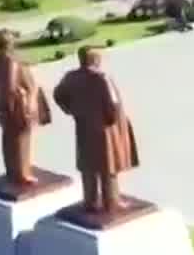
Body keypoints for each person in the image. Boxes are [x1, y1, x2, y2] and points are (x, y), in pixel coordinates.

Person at [51, 46, 141, 217]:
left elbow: (58, 94)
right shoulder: (102, 78)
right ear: (94, 59)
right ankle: (112, 201)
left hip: (84, 126)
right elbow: (113, 103)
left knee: (88, 165)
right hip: (105, 129)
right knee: (108, 167)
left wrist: (71, 110)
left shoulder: (71, 77)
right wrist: (112, 121)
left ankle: (90, 201)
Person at [0, 28, 52, 186]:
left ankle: (13, 172)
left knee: (9, 140)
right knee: (21, 140)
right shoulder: (9, 60)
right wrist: (25, 103)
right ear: (10, 42)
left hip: (5, 106)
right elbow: (11, 87)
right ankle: (22, 173)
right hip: (19, 106)